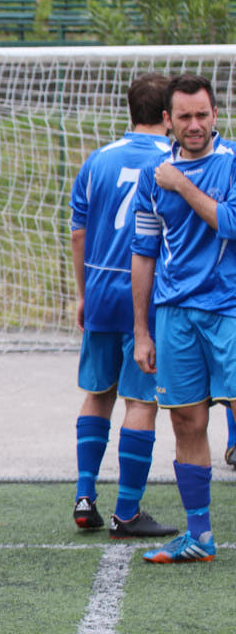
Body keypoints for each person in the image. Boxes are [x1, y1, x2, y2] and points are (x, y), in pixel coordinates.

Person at [131, 73, 236, 563]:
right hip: (174, 315)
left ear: (216, 115)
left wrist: (183, 184)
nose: (195, 125)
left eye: (202, 115)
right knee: (187, 422)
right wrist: (141, 330)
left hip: (229, 310)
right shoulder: (152, 176)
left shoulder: (231, 162)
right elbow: (144, 252)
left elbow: (231, 223)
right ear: (167, 120)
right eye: (185, 116)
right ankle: (200, 537)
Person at [68, 73, 178, 540]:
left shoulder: (98, 159)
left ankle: (84, 496)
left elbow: (78, 233)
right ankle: (127, 511)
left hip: (100, 289)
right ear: (168, 115)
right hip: (146, 296)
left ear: (130, 110)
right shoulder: (175, 162)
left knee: (98, 392)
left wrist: (83, 293)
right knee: (140, 400)